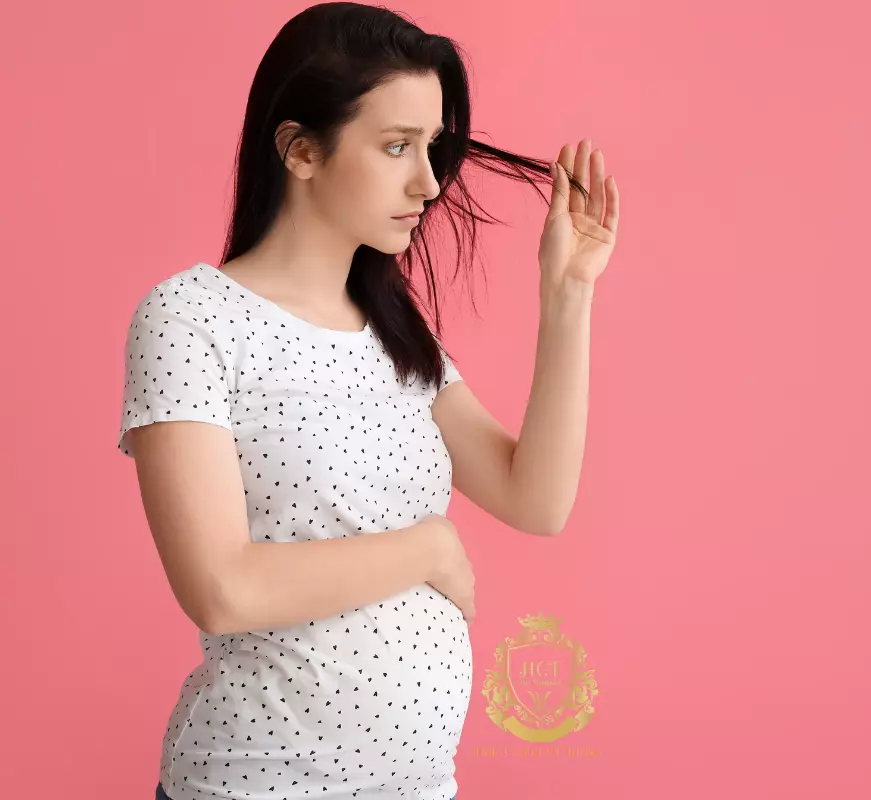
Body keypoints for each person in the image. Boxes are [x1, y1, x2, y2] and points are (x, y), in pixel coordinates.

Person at [117, 3, 619, 799]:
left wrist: (566, 297)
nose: (427, 181)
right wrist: (428, 549)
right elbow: (221, 590)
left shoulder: (395, 334)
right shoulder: (190, 320)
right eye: (396, 147)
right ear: (300, 150)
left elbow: (537, 499)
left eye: (432, 147)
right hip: (255, 784)